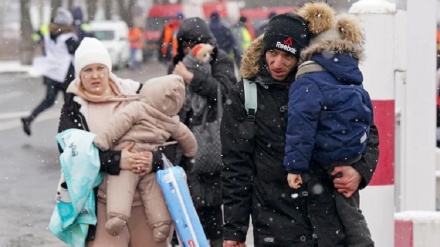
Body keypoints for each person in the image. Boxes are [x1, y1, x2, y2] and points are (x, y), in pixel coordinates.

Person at [220, 8, 380, 247]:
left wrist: (359, 170)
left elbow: (368, 133)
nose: (277, 63)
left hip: (328, 225)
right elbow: (236, 167)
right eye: (272, 53)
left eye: (288, 56)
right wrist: (234, 231)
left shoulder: (327, 84)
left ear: (302, 55)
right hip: (276, 227)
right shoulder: (247, 94)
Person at [57, 37, 168, 247]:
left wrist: (153, 159)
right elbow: (70, 155)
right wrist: (116, 160)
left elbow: (170, 138)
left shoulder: (137, 94)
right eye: (87, 70)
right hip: (102, 206)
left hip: (146, 204)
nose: (95, 75)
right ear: (79, 74)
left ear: (109, 69)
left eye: (100, 68)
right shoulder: (74, 108)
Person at [284, 3, 374, 246]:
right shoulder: (351, 78)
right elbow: (368, 123)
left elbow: (300, 126)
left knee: (332, 226)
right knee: (350, 212)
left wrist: (295, 166)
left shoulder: (308, 80)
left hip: (322, 163)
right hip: (350, 156)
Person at [92, 74, 197, 242]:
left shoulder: (138, 108)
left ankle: (118, 216)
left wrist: (102, 141)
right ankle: (160, 223)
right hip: (132, 159)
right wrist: (190, 151)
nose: (95, 75)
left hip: (136, 158)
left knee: (123, 184)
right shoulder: (172, 120)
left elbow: (117, 124)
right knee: (152, 191)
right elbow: (188, 140)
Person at [169, 17, 236, 247]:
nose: (189, 50)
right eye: (185, 45)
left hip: (212, 144)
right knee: (185, 208)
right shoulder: (178, 63)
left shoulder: (220, 60)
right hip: (184, 145)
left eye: (194, 45)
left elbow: (224, 92)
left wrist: (191, 78)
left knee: (215, 212)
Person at [21, 7, 79, 136]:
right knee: (70, 104)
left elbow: (40, 42)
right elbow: (77, 52)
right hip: (65, 74)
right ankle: (70, 131)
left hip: (51, 73)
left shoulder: (48, 34)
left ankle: (30, 118)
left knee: (49, 100)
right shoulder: (69, 37)